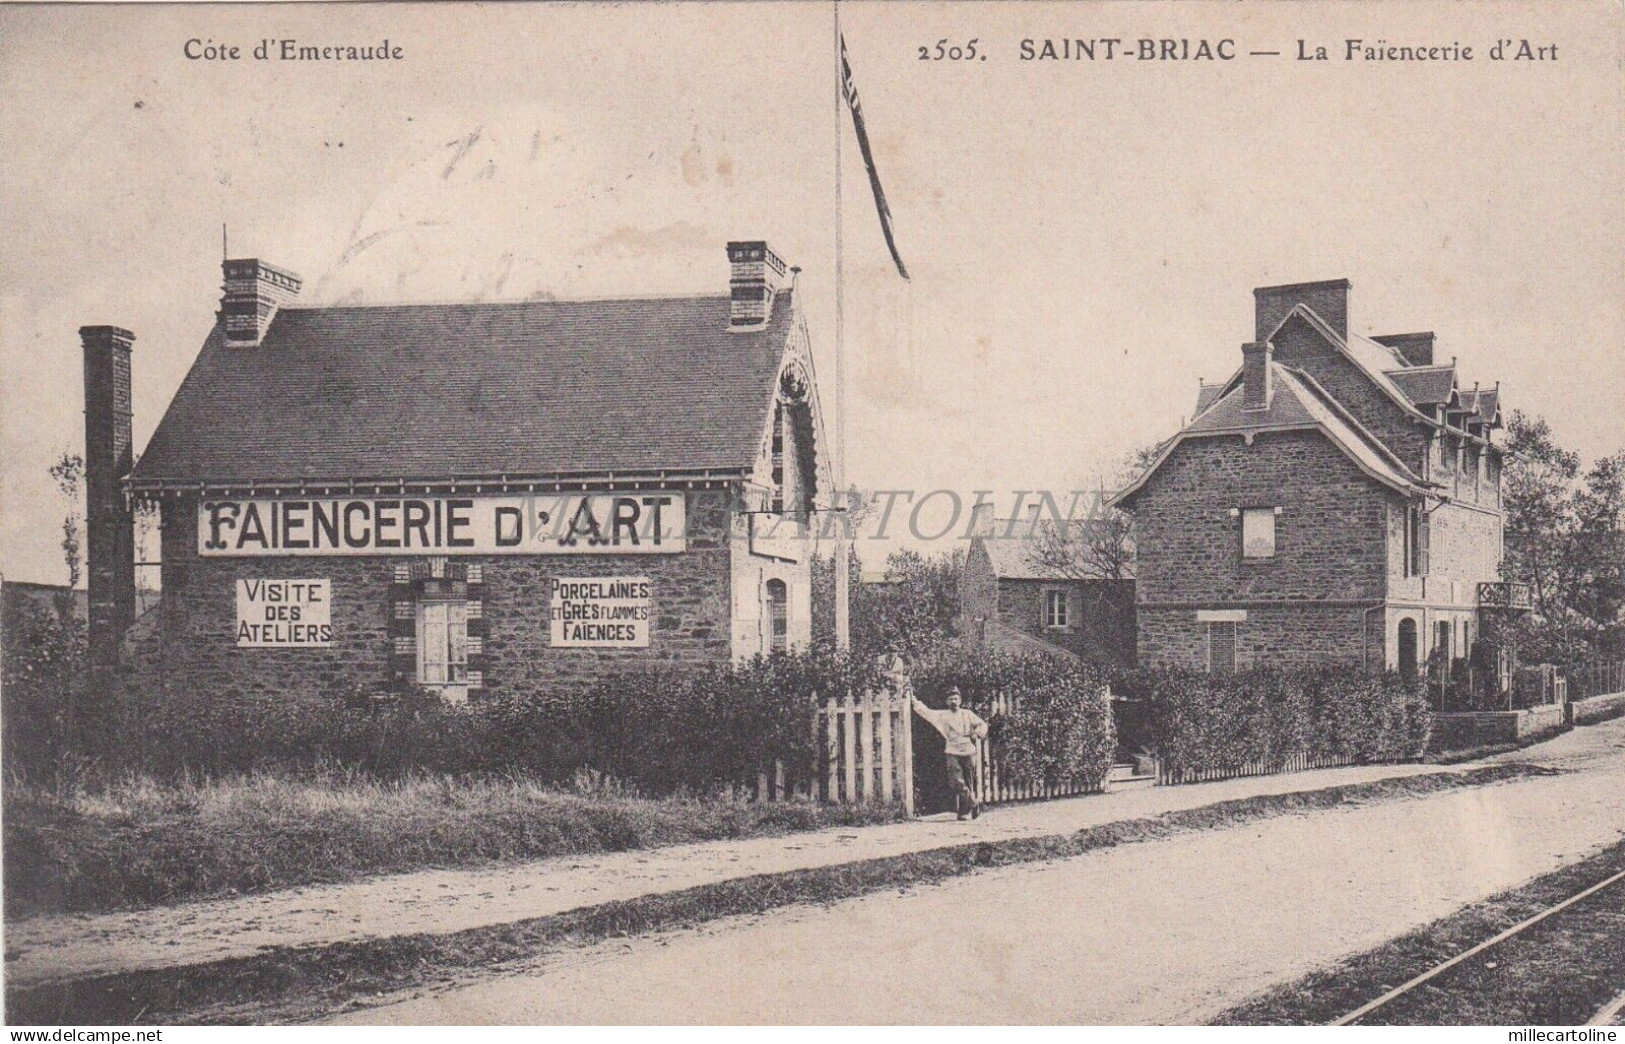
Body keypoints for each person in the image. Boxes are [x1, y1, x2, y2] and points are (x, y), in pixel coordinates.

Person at [910, 686, 989, 819]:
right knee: (956, 781)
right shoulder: (943, 715)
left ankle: (964, 812)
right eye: (951, 699)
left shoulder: (967, 714)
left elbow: (982, 725)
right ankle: (974, 803)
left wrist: (977, 733)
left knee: (968, 783)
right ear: (947, 702)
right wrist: (914, 701)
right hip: (952, 750)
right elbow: (926, 712)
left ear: (960, 700)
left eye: (956, 698)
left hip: (969, 750)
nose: (953, 701)